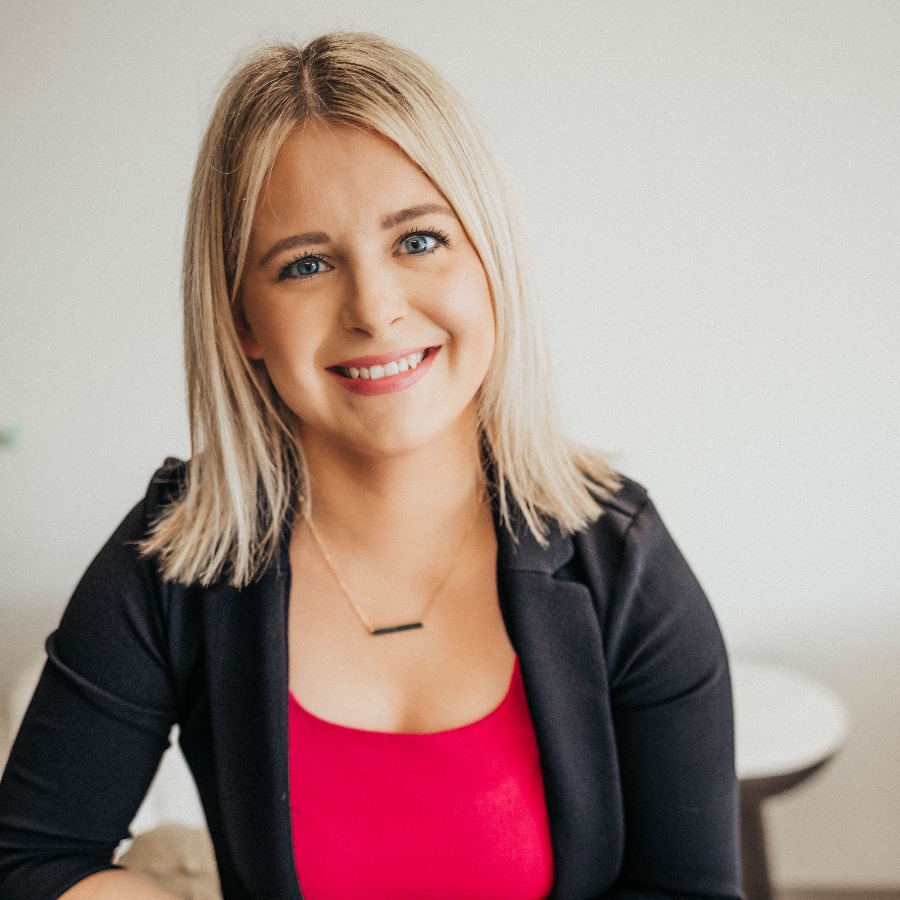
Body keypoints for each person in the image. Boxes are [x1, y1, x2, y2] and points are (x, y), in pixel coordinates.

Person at [0, 32, 741, 900]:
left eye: (418, 241)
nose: (375, 309)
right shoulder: (175, 560)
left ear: (490, 261)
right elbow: (30, 862)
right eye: (305, 264)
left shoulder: (623, 560)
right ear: (243, 319)